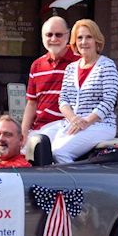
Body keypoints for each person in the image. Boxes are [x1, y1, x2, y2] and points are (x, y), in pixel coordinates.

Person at [52, 19, 118, 164]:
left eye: (89, 37)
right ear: (75, 42)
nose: (84, 42)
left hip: (100, 125)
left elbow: (109, 101)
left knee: (59, 152)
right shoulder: (70, 68)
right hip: (72, 124)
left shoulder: (107, 65)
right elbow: (63, 100)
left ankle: (77, 185)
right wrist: (74, 120)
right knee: (43, 148)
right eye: (80, 38)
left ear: (97, 40)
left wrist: (86, 122)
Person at [21, 16, 80, 146]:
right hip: (40, 129)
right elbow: (32, 103)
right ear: (43, 37)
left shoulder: (80, 62)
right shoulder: (37, 65)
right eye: (49, 35)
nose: (53, 39)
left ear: (68, 35)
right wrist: (24, 131)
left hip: (67, 128)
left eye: (58, 35)